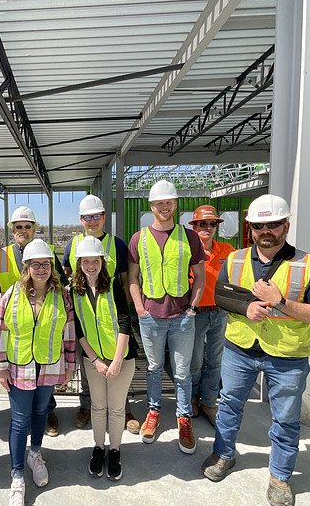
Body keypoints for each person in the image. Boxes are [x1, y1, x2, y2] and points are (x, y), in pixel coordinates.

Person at [201, 194, 310, 506]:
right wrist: (247, 307)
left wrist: (282, 303)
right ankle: (223, 455)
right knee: (230, 406)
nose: (266, 230)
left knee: (286, 419)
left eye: (273, 224)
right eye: (259, 225)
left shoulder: (308, 265)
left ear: (285, 226)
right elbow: (221, 295)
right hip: (240, 349)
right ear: (250, 228)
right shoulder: (235, 259)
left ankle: (280, 476)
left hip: (287, 356)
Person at [0, 239, 77, 506]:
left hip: (50, 364)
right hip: (19, 367)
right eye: (35, 264)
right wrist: (1, 366)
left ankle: (35, 454)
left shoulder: (62, 296)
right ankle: (17, 476)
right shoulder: (10, 295)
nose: (41, 269)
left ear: (52, 267)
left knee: (41, 412)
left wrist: (70, 365)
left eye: (46, 264)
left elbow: (69, 333)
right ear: (26, 267)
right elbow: (0, 332)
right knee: (19, 421)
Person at [127, 180, 206, 453]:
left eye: (168, 202)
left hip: (183, 317)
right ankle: (154, 411)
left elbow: (200, 278)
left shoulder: (190, 237)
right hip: (151, 317)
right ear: (151, 206)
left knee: (183, 372)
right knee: (153, 368)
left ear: (175, 204)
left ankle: (183, 419)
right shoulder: (139, 239)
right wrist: (139, 307)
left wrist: (193, 308)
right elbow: (133, 278)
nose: (164, 207)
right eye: (159, 203)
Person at [0, 206, 69, 437]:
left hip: (43, 323)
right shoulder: (0, 257)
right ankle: (23, 416)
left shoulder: (48, 253)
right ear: (12, 230)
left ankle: (47, 411)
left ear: (34, 229)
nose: (23, 230)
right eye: (18, 227)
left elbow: (61, 288)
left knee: (44, 369)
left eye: (27, 226)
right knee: (19, 375)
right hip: (14, 327)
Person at [62, 195, 139, 434]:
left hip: (113, 316)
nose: (92, 221)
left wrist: (122, 316)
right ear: (81, 220)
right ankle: (87, 405)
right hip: (85, 316)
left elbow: (125, 281)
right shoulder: (72, 245)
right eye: (87, 217)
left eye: (97, 216)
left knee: (119, 364)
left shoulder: (117, 244)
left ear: (104, 217)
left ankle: (123, 409)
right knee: (89, 367)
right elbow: (67, 275)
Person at [71, 236, 136, 481]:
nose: (90, 265)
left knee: (117, 408)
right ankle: (99, 448)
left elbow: (124, 321)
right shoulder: (73, 290)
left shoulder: (115, 286)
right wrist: (96, 360)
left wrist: (117, 361)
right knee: (98, 406)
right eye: (85, 261)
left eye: (94, 260)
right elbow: (77, 328)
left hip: (122, 357)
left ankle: (115, 450)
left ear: (102, 261)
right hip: (93, 359)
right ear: (79, 263)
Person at [188, 205, 235, 426]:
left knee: (216, 361)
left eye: (212, 224)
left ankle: (209, 402)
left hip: (220, 313)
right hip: (196, 314)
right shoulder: (187, 251)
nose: (208, 227)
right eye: (203, 224)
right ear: (194, 226)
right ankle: (193, 399)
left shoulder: (227, 251)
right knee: (195, 361)